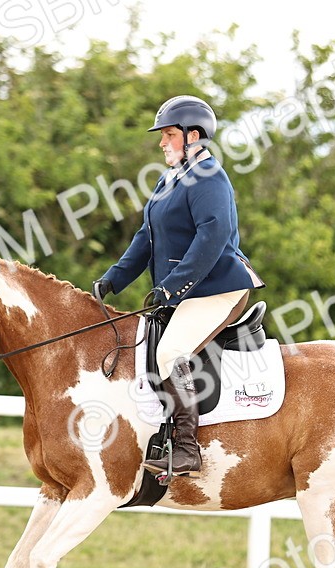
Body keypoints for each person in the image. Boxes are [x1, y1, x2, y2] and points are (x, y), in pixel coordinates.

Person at [92, 95, 264, 479]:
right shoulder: (169, 178)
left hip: (220, 287)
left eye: (168, 134)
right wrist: (114, 278)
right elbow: (145, 236)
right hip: (190, 288)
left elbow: (211, 236)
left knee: (170, 351)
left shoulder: (210, 177)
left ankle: (187, 450)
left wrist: (171, 287)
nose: (162, 142)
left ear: (194, 135)